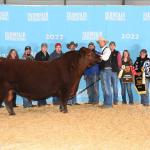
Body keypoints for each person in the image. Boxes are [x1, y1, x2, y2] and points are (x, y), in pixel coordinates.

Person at [97, 37, 112, 108]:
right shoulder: (103, 50)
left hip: (106, 70)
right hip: (103, 70)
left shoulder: (107, 49)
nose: (99, 43)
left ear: (104, 42)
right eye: (99, 42)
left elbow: (105, 58)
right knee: (104, 87)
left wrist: (98, 55)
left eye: (100, 42)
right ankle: (106, 102)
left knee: (106, 87)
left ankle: (108, 103)